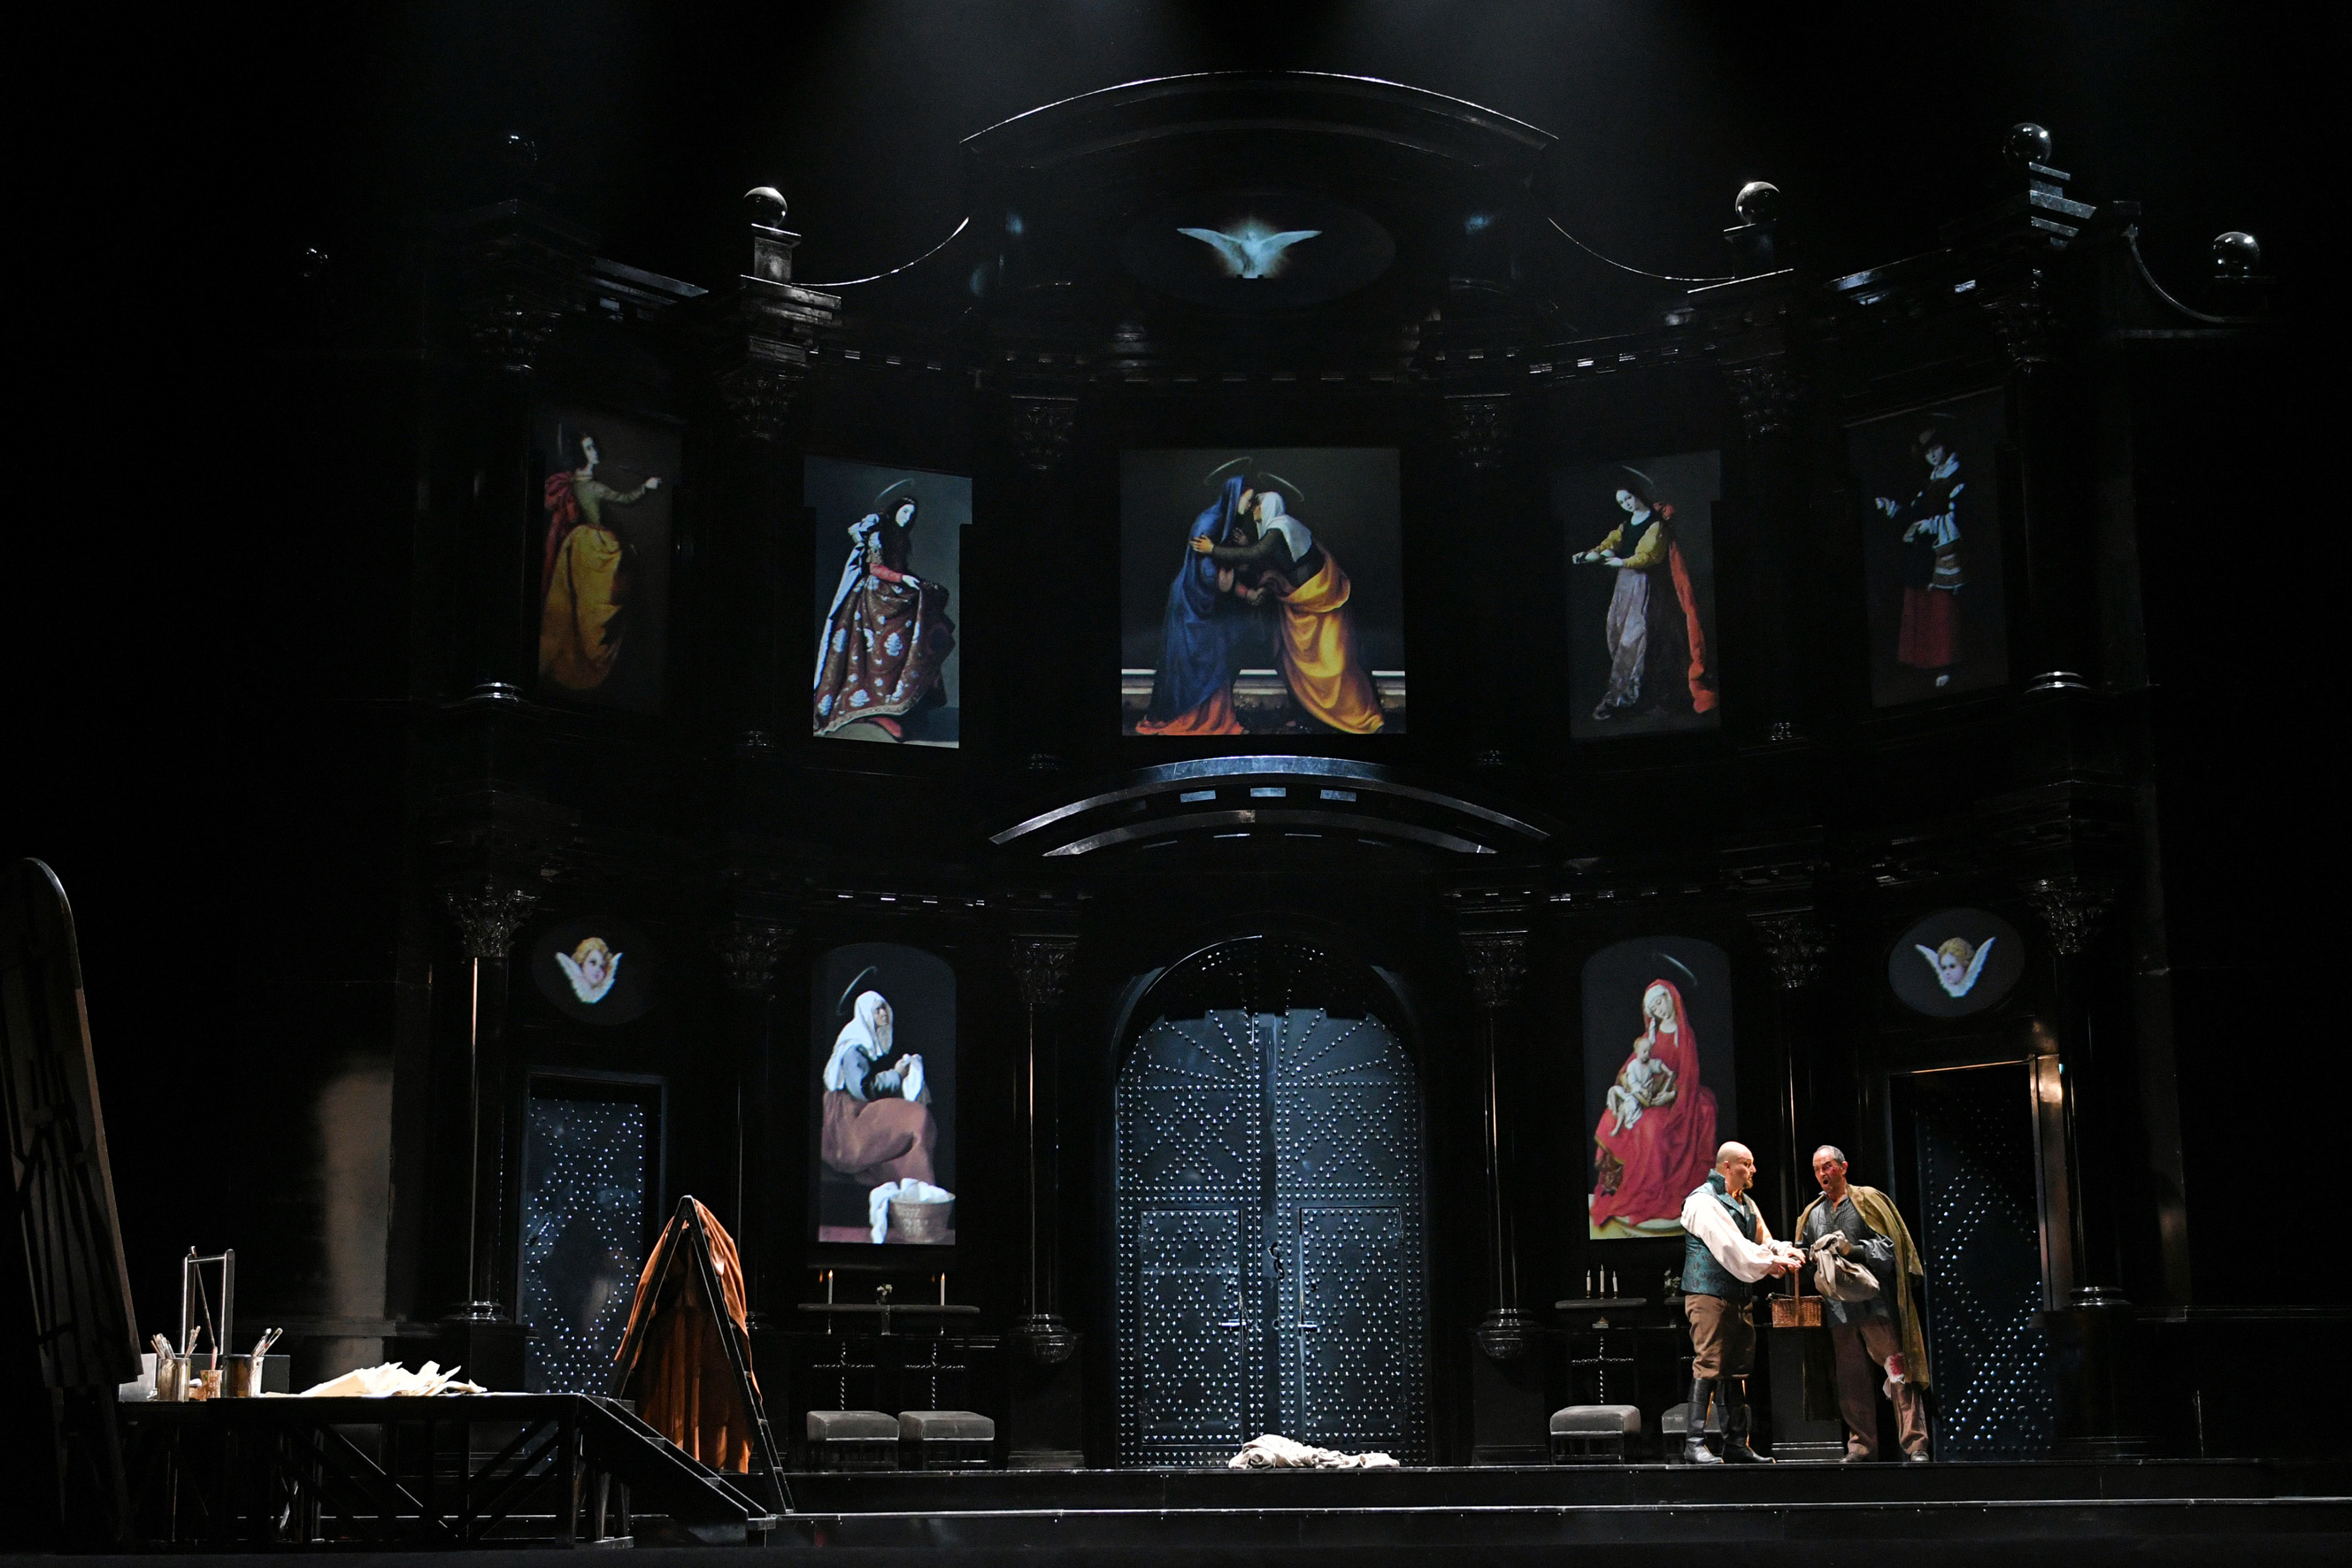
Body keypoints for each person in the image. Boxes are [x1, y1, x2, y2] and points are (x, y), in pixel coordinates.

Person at [1190, 482, 1386, 734]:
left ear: (1268, 506)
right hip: (1300, 606)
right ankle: (1309, 716)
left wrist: (1213, 549)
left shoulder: (1282, 525)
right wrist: (1248, 545)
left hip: (1322, 604)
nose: (1253, 511)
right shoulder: (1277, 531)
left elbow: (1257, 553)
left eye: (1257, 506)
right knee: (1293, 664)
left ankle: (1364, 720)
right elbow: (1274, 557)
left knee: (1335, 665)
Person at [1795, 1145, 1933, 1462]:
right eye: (1817, 1169)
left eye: (1827, 1166)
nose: (1822, 1174)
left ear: (1843, 1167)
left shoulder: (1867, 1201)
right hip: (1839, 1311)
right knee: (1851, 1380)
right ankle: (1860, 1446)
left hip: (1874, 1303)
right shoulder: (1813, 1213)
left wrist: (1853, 1250)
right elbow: (1803, 1253)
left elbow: (1890, 1248)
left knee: (1898, 1371)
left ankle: (1915, 1444)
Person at [1678, 1141, 1804, 1464]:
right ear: (1727, 1167)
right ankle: (1694, 1444)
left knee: (1736, 1370)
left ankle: (1736, 1443)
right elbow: (1733, 1248)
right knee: (1709, 1365)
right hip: (1710, 1295)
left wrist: (1783, 1251)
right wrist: (1771, 1262)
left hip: (1738, 1297)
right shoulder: (1702, 1202)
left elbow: (1764, 1240)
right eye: (1747, 1164)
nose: (1753, 1170)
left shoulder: (1746, 1203)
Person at [1573, 469, 1716, 722]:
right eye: (1621, 502)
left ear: (1637, 494)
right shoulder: (1626, 525)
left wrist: (1619, 562)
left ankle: (1631, 695)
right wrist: (1589, 555)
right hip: (1625, 586)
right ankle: (1626, 689)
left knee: (1637, 638)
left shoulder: (1656, 524)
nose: (1627, 504)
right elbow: (1609, 544)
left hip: (1647, 586)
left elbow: (1648, 556)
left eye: (1628, 498)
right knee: (1616, 631)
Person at [812, 489, 957, 741]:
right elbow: (875, 568)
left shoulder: (901, 537)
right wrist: (903, 579)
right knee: (880, 652)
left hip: (895, 590)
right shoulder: (878, 533)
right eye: (904, 511)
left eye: (912, 514)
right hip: (875, 598)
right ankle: (876, 709)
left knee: (923, 623)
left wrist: (913, 580)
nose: (907, 516)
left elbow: (900, 568)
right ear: (894, 510)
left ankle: (902, 706)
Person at [1589, 980, 1718, 1236]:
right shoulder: (1652, 1034)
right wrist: (1629, 1085)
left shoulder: (1684, 1034)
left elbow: (1688, 1074)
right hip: (1649, 1095)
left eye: (1660, 1003)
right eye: (1653, 1008)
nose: (1659, 1010)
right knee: (1612, 1118)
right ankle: (1623, 1184)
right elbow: (1632, 1066)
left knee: (1652, 1127)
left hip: (1677, 1098)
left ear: (1669, 999)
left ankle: (1650, 1188)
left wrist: (1670, 1095)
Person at [540, 432, 661, 692]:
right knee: (598, 603)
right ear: (581, 454)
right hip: (593, 544)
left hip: (578, 542)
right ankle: (593, 655)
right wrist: (646, 486)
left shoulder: (572, 482)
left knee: (579, 604)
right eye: (589, 448)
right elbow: (625, 499)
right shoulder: (591, 487)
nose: (595, 451)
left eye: (594, 446)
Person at [1137, 472, 1256, 734]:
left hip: (1207, 605)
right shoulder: (1208, 523)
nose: (1248, 507)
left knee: (1216, 660)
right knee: (1195, 664)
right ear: (1234, 497)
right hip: (1193, 604)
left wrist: (1240, 553)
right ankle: (1194, 719)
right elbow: (1207, 573)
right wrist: (1235, 579)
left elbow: (1229, 566)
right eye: (1246, 501)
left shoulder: (1228, 524)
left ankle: (1216, 719)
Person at [819, 991, 938, 1225]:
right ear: (866, 1015)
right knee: (915, 1118)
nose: (884, 1013)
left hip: (855, 1112)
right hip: (846, 1124)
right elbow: (861, 1090)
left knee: (914, 1123)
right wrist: (897, 1075)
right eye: (877, 1010)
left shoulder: (860, 1044)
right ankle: (919, 1203)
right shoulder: (853, 1047)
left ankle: (917, 1203)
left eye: (884, 1008)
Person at [1873, 423, 1966, 688]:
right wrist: (1892, 508)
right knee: (1922, 607)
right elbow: (1915, 512)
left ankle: (1945, 665)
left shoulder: (1957, 478)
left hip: (1943, 553)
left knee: (1942, 610)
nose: (1933, 456)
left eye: (1936, 448)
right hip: (1924, 556)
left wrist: (1929, 526)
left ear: (1945, 446)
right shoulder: (1930, 482)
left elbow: (1960, 519)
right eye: (1928, 453)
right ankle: (1926, 663)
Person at [1603, 1029, 1676, 1135]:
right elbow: (1632, 1083)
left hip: (1638, 1097)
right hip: (1632, 1092)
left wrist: (1668, 1071)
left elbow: (1658, 1064)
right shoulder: (1632, 1066)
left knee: (1625, 1108)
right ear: (1637, 1051)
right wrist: (1641, 1089)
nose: (1647, 1054)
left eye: (1649, 1052)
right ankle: (1615, 1110)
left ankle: (1617, 1127)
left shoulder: (1649, 1064)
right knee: (1613, 1090)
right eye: (1644, 1051)